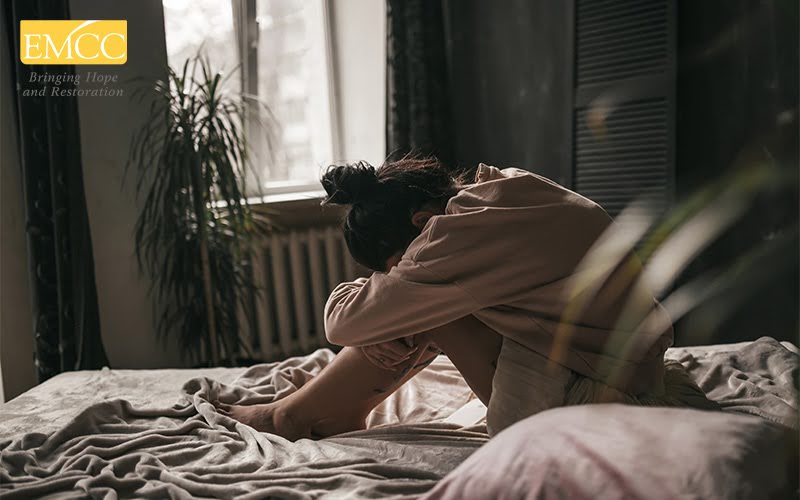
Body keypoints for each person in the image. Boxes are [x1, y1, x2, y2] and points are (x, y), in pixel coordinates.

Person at [218, 156, 716, 440]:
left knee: (425, 312)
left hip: (593, 404)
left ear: (418, 224)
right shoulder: (502, 188)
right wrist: (397, 298)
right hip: (629, 373)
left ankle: (295, 417)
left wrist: (388, 305)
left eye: (393, 265)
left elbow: (342, 325)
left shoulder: (449, 241)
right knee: (418, 305)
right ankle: (322, 410)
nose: (401, 272)